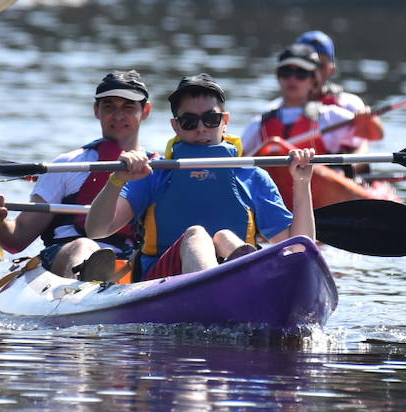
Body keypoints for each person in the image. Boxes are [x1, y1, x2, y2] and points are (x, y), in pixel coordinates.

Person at [85, 73, 316, 280]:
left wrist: (302, 183)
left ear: (224, 122)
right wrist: (117, 180)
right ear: (176, 126)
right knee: (196, 235)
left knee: (226, 236)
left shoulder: (253, 177)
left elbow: (299, 249)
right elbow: (97, 230)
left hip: (235, 275)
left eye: (211, 119)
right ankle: (219, 289)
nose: (201, 129)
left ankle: (240, 281)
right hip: (162, 279)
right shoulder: (153, 174)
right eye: (189, 121)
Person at [0, 70, 156, 281]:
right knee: (85, 245)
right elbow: (17, 239)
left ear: (145, 111)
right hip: (66, 256)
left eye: (128, 107)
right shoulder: (67, 165)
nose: (118, 116)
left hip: (130, 260)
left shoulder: (160, 169)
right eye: (109, 106)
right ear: (96, 110)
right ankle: (83, 291)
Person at [241, 43, 383, 156]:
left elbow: (375, 135)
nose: (292, 79)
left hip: (315, 188)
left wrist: (369, 118)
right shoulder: (260, 123)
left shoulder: (329, 116)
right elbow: (239, 160)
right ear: (278, 77)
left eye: (301, 73)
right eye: (286, 72)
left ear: (314, 81)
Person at [296, 29, 368, 112]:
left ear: (331, 70)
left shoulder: (351, 105)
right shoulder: (278, 109)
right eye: (306, 65)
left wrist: (369, 122)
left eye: (320, 66)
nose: (314, 73)